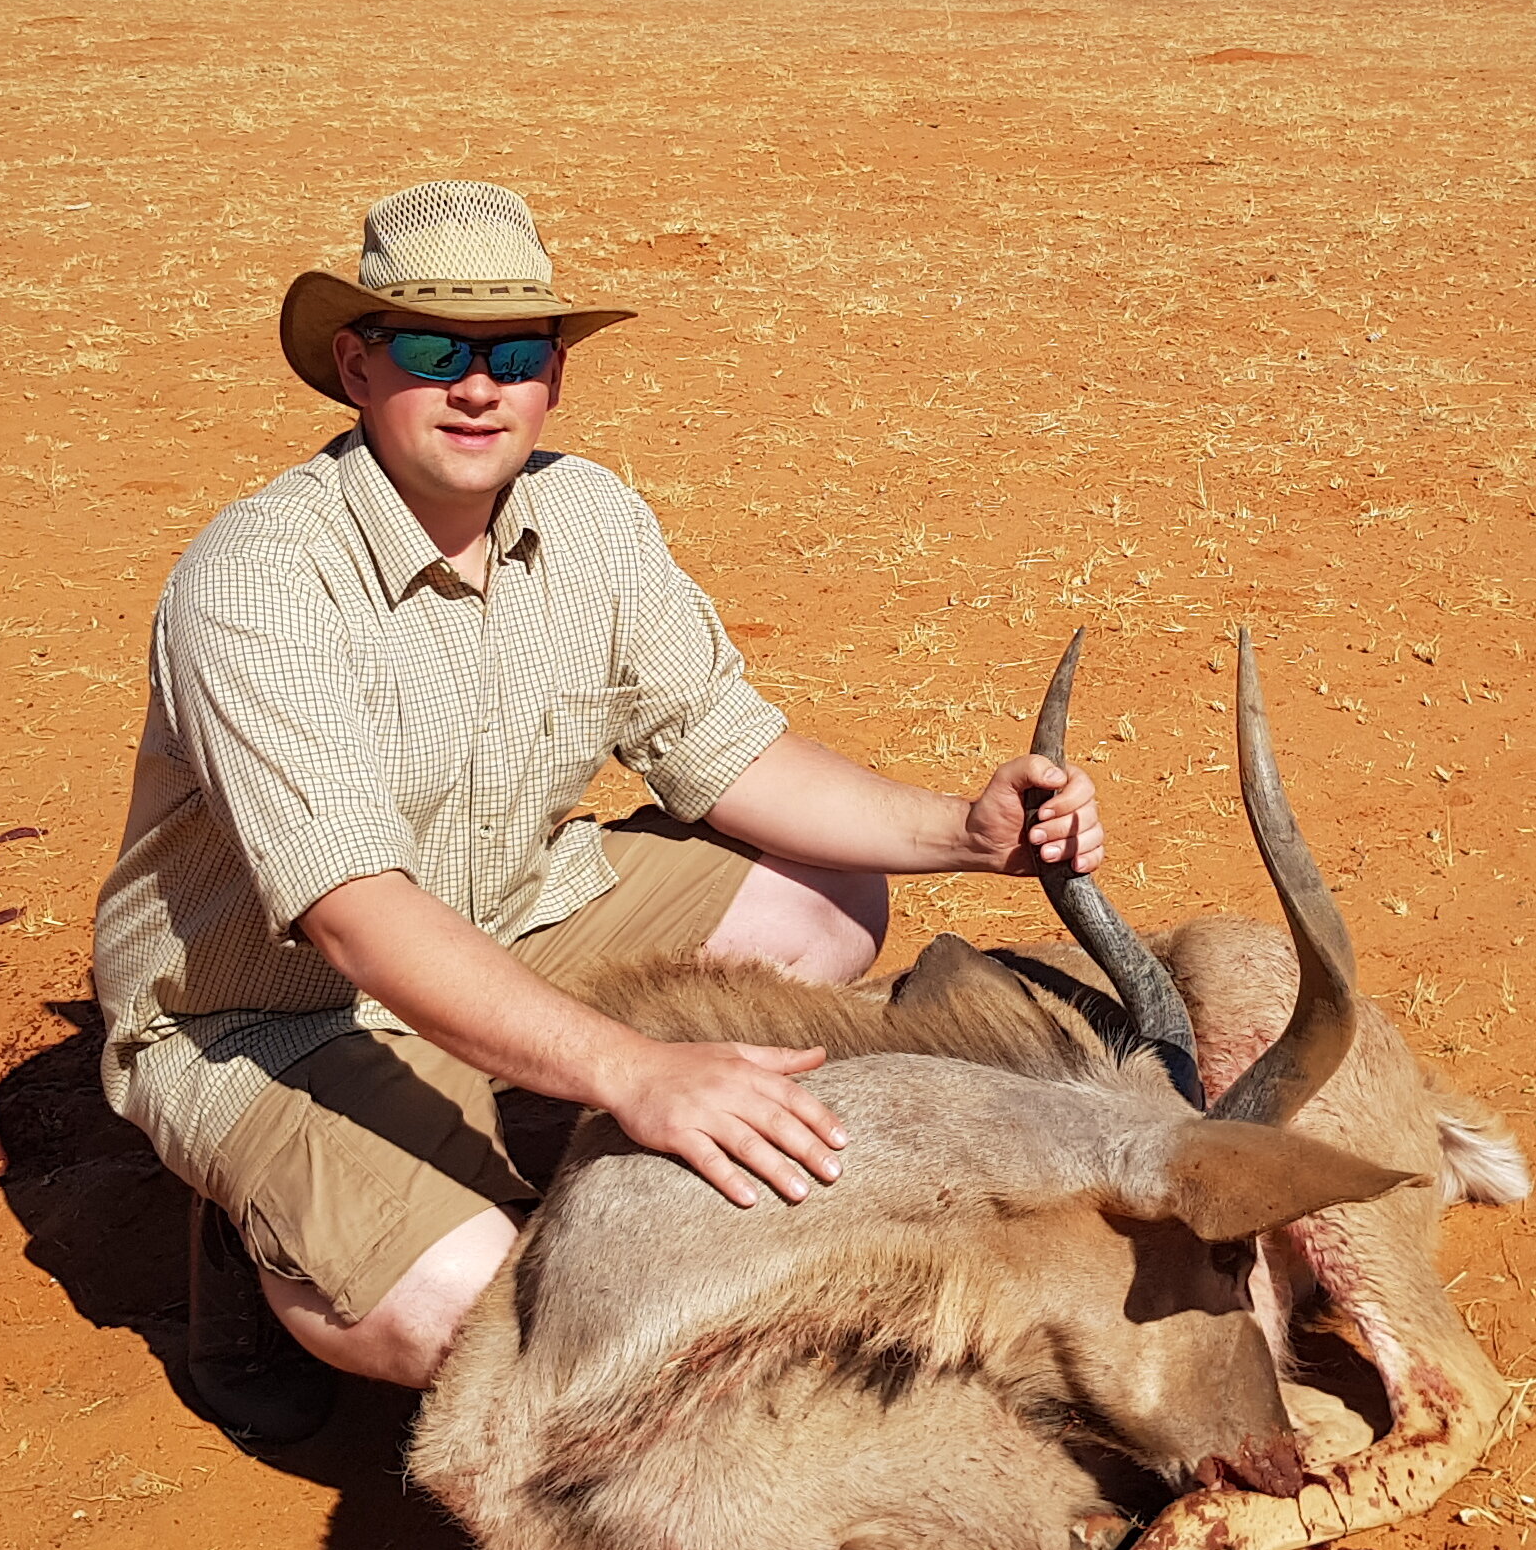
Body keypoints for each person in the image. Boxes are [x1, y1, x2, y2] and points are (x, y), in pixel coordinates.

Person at [92, 179, 1104, 1448]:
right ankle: (254, 1243)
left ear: (552, 380)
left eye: (515, 355)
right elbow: (352, 920)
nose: (478, 388)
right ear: (355, 367)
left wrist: (966, 834)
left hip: (504, 921)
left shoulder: (588, 519)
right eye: (431, 350)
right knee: (472, 1314)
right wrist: (634, 1072)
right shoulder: (258, 580)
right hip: (271, 1014)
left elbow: (732, 757)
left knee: (828, 898)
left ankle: (505, 1104)